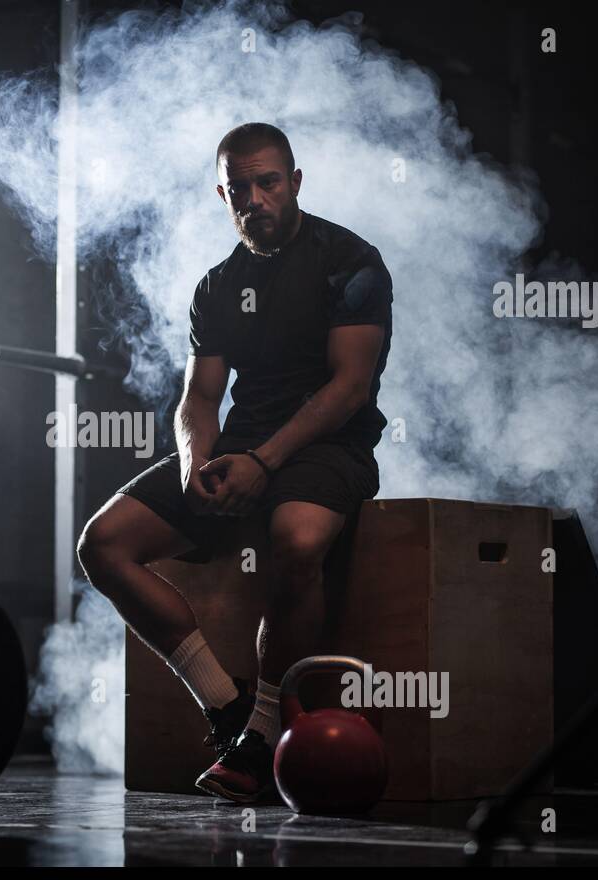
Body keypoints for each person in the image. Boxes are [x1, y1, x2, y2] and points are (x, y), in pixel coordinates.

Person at [77, 122, 393, 802]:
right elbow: (198, 396)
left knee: (297, 538)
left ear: (295, 183)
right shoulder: (217, 286)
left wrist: (263, 458)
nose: (255, 199)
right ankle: (225, 708)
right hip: (240, 446)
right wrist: (198, 461)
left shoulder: (351, 263)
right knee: (103, 544)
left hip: (326, 447)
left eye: (269, 183)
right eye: (240, 188)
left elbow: (348, 389)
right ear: (224, 193)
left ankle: (266, 730)